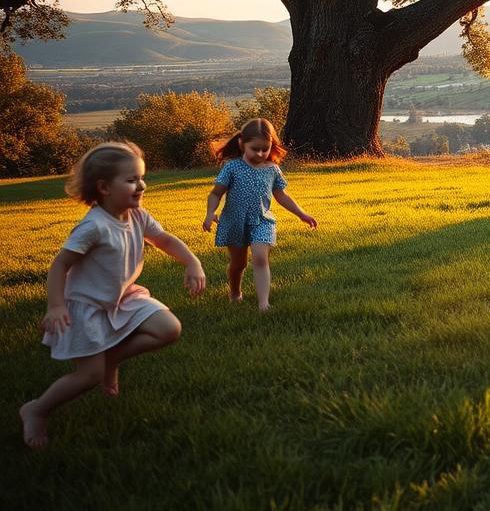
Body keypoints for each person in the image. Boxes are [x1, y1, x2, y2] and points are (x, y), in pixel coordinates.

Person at [20, 142, 206, 449]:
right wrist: (55, 306)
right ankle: (36, 410)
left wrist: (192, 262)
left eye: (141, 177)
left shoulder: (137, 216)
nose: (141, 185)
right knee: (88, 376)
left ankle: (111, 360)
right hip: (87, 307)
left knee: (168, 329)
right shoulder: (93, 226)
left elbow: (163, 239)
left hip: (123, 297)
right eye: (131, 180)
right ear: (104, 187)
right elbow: (60, 265)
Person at [203, 118, 316, 311]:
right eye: (255, 148)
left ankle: (264, 303)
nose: (261, 153)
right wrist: (210, 213)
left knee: (260, 258)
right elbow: (216, 193)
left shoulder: (272, 169)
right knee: (238, 264)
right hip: (234, 221)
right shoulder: (232, 168)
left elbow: (282, 195)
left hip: (262, 221)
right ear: (242, 144)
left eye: (266, 148)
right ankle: (235, 292)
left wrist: (301, 214)